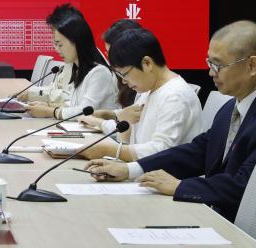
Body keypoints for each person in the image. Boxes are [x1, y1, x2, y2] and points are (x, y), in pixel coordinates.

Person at [85, 20, 256, 236]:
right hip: (225, 222)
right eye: (209, 63)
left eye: (218, 65)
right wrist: (131, 169)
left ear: (252, 65)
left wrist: (180, 186)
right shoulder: (233, 107)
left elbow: (245, 186)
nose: (210, 72)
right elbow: (198, 151)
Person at [78, 28, 203, 160]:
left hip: (164, 172)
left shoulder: (175, 96)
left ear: (147, 63)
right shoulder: (148, 90)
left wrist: (109, 150)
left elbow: (160, 151)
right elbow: (132, 140)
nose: (124, 81)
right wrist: (122, 122)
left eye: (124, 74)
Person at [26, 11, 118, 119]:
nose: (57, 50)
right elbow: (74, 104)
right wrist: (48, 106)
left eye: (60, 45)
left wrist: (49, 111)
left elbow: (84, 110)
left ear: (76, 41)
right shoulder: (77, 69)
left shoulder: (99, 72)